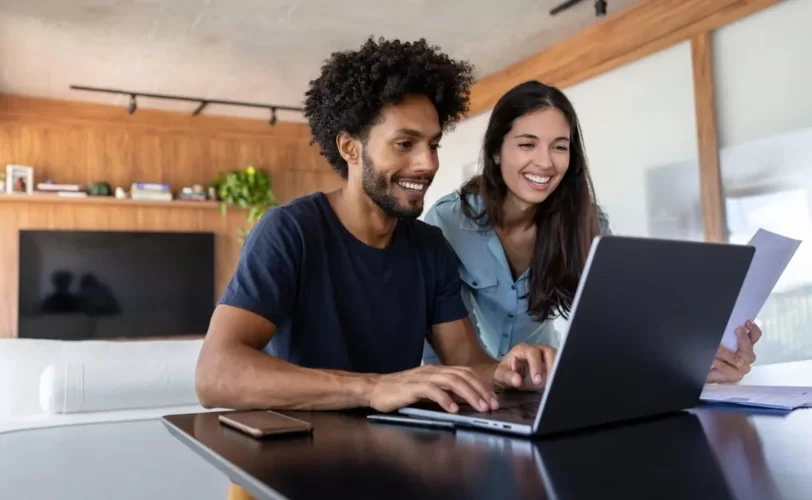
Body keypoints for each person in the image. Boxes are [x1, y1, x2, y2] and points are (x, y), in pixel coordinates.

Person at [194, 37, 557, 416]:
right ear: (351, 148)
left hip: (385, 457)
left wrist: (508, 372)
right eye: (405, 143)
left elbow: (467, 364)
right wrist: (372, 388)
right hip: (290, 461)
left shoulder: (429, 247)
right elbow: (215, 375)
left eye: (433, 145)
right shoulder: (290, 232)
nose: (428, 163)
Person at [421, 80, 761, 384]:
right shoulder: (448, 221)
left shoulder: (586, 223)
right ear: (496, 152)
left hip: (541, 385)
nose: (545, 162)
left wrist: (696, 360)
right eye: (527, 144)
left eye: (559, 146)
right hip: (464, 387)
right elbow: (440, 330)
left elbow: (627, 318)